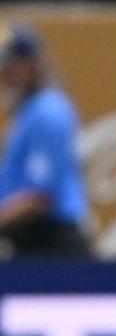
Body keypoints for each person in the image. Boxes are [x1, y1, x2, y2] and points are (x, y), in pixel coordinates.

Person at [0, 22, 89, 258]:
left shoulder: (47, 111)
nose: (5, 75)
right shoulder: (30, 110)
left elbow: (38, 198)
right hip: (33, 241)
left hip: (53, 244)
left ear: (31, 64)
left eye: (10, 66)